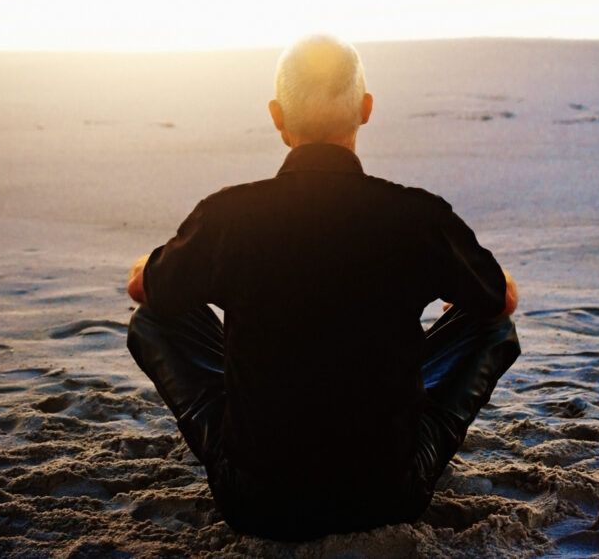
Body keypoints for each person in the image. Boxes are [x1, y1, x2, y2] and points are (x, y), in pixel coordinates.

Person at [124, 35, 520, 541]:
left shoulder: (231, 215)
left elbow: (144, 290)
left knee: (155, 316)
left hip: (256, 502)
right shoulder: (416, 216)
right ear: (366, 110)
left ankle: (247, 439)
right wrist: (484, 285)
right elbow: (499, 301)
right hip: (388, 497)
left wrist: (154, 267)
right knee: (491, 325)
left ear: (276, 116)